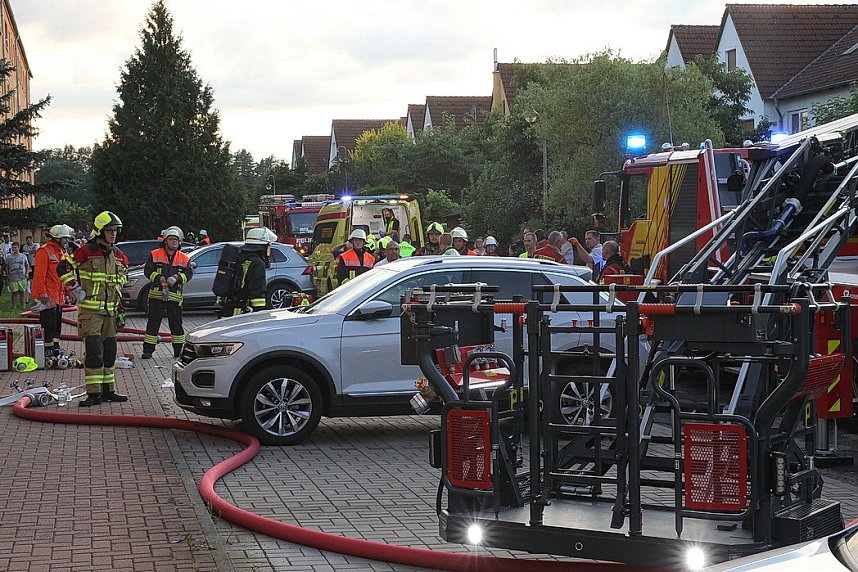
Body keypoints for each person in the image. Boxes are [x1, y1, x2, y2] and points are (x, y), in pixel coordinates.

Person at [58, 211, 129, 407]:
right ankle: (93, 393)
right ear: (99, 231)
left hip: (111, 314)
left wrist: (121, 310)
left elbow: (118, 285)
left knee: (110, 352)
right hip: (90, 313)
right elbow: (62, 268)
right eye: (109, 231)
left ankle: (109, 391)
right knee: (94, 352)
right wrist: (76, 290)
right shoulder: (86, 251)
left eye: (115, 231)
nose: (113, 234)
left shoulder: (119, 255)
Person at [141, 226, 193, 360]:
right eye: (171, 239)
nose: (174, 242)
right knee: (153, 324)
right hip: (156, 295)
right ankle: (148, 351)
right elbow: (148, 271)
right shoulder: (155, 254)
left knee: (176, 325)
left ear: (180, 242)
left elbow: (188, 274)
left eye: (176, 240)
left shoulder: (184, 258)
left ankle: (178, 351)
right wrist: (159, 278)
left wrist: (176, 278)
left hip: (174, 297)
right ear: (165, 241)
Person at [31, 224, 73, 358]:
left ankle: (55, 347)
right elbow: (39, 274)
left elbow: (65, 275)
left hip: (58, 295)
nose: (67, 240)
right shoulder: (44, 252)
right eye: (64, 238)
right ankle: (47, 350)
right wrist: (41, 292)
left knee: (56, 324)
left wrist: (68, 291)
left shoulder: (62, 253)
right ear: (57, 238)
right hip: (48, 295)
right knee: (48, 324)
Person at [222, 227, 276, 317]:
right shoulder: (257, 264)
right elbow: (258, 297)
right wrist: (262, 315)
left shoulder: (239, 258)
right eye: (268, 246)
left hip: (229, 311)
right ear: (263, 247)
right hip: (243, 316)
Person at [5, 242, 30, 309]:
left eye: (15, 247)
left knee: (22, 292)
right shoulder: (9, 257)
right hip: (13, 277)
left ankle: (23, 306)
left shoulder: (23, 256)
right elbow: (6, 267)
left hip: (22, 277)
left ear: (18, 248)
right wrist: (8, 275)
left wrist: (27, 273)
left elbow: (27, 265)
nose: (14, 249)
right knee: (14, 292)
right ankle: (14, 306)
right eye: (13, 248)